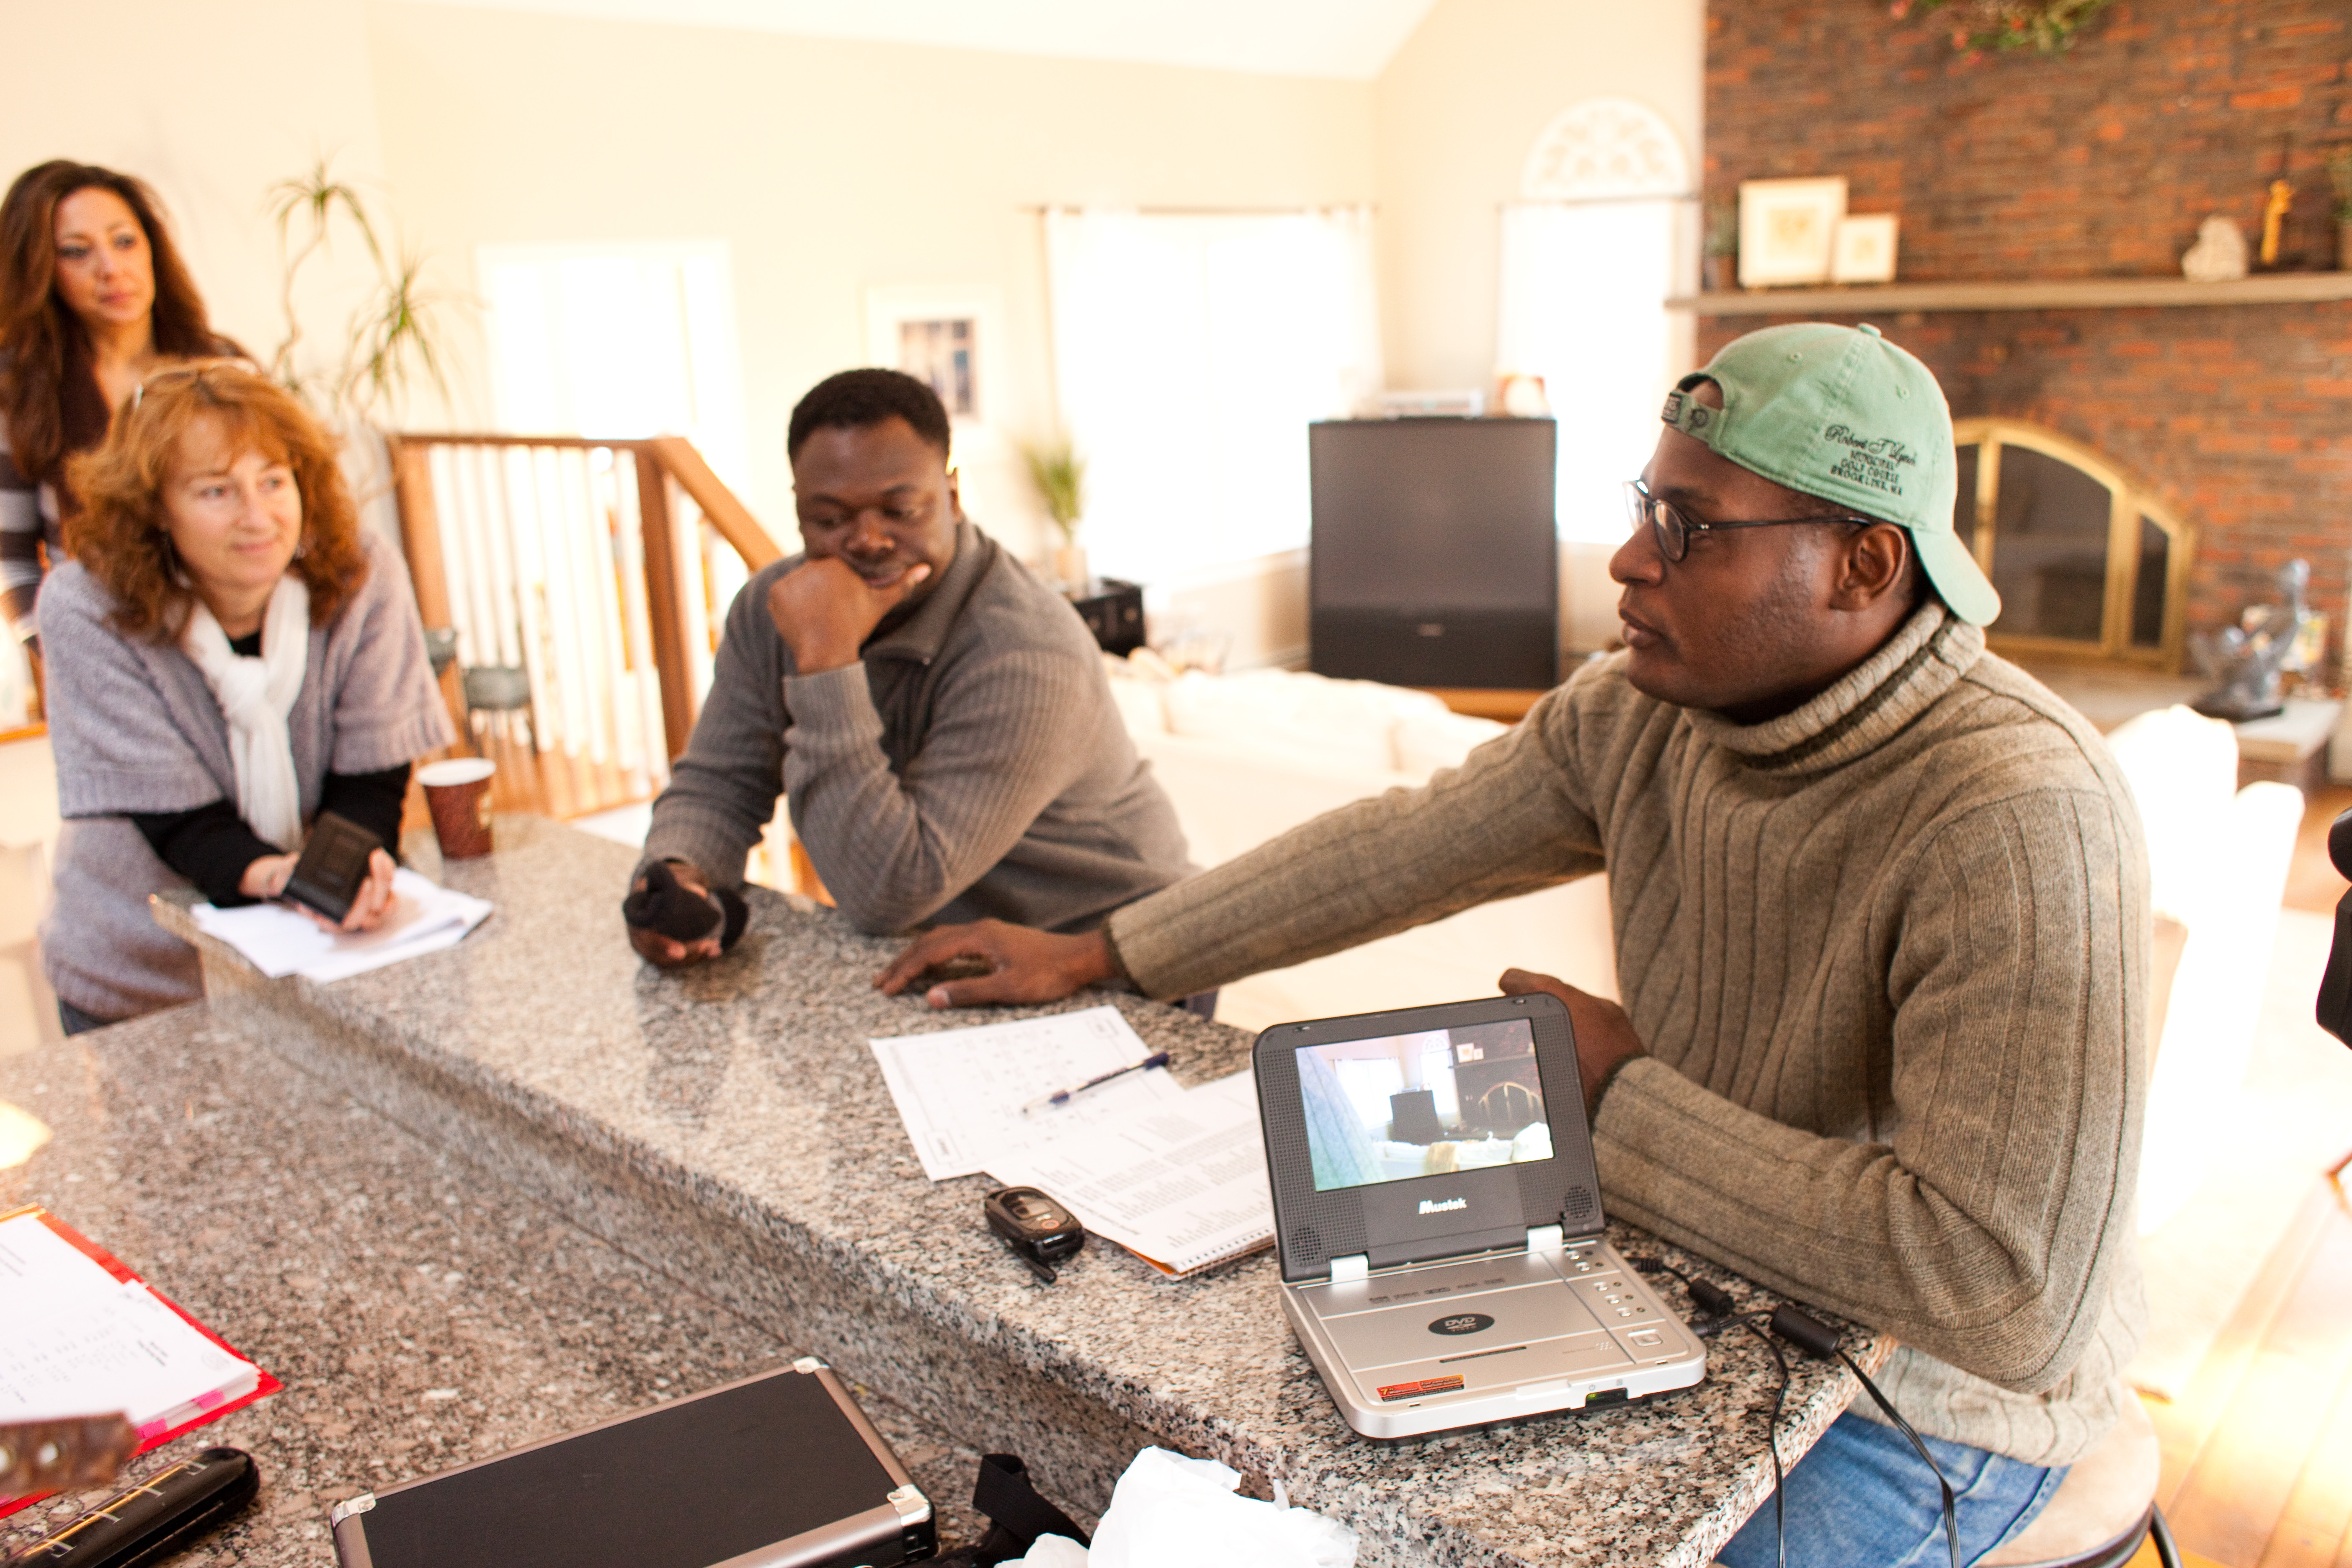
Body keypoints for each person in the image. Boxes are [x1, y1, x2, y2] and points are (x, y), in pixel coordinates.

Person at [878, 323, 2148, 1566]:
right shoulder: (1646, 715)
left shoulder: (2017, 820)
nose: (1631, 565)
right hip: (1692, 1283)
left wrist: (1610, 1099)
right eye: (1648, 506)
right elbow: (1400, 849)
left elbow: (2008, 1298)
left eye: (1693, 529)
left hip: (1916, 1405)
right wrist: (1105, 949)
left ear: (1865, 566)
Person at [625, 368, 1189, 965]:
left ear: (950, 496)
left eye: (901, 510)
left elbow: (891, 893)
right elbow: (721, 782)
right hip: (944, 950)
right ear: (798, 510)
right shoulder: (773, 608)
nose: (869, 540)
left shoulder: (1026, 650)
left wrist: (826, 664)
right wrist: (677, 875)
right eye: (831, 518)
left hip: (1107, 953)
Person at [38, 363, 452, 1031]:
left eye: (273, 481)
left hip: (320, 955)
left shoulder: (360, 573)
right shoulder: (88, 606)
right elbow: (178, 820)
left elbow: (372, 774)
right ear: (154, 508)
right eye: (216, 492)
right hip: (145, 969)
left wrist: (348, 877)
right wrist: (283, 879)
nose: (258, 517)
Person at [1, 161, 241, 654]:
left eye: (125, 241)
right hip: (104, 649)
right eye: (76, 252)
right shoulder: (20, 390)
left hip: (233, 642)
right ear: (42, 270)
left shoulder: (223, 369)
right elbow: (14, 561)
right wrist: (61, 652)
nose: (110, 268)